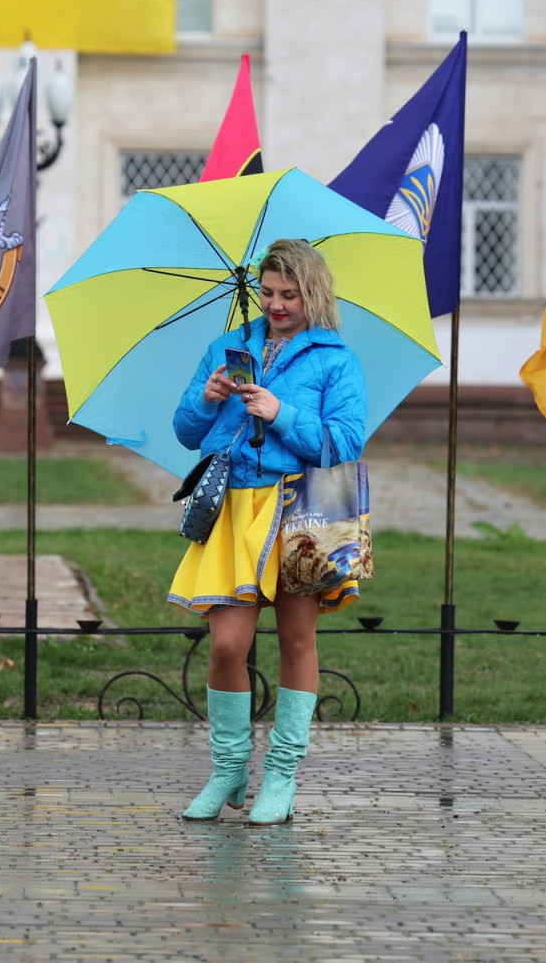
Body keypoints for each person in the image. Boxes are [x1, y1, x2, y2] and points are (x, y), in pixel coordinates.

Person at [168, 237, 367, 825]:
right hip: (232, 506)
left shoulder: (336, 359)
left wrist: (281, 412)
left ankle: (281, 775)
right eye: (269, 291)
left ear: (313, 293)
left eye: (290, 293)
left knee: (295, 641)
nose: (276, 304)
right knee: (228, 644)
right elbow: (185, 430)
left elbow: (345, 443)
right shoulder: (227, 348)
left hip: (301, 509)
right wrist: (206, 400)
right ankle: (229, 768)